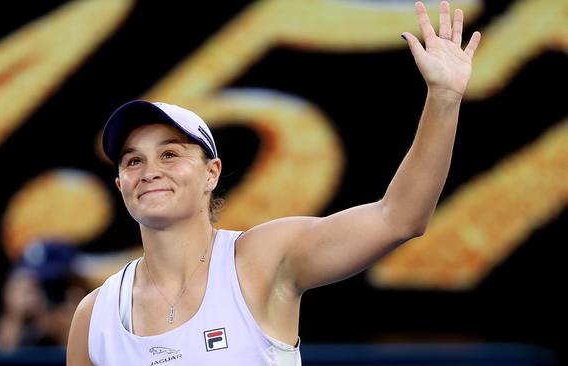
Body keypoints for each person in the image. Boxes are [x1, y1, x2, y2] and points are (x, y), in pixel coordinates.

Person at [67, 2, 481, 365]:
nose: (149, 170)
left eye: (170, 154)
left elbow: (399, 218)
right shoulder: (94, 315)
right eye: (133, 160)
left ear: (212, 173)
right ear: (120, 184)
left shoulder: (260, 258)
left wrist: (443, 98)